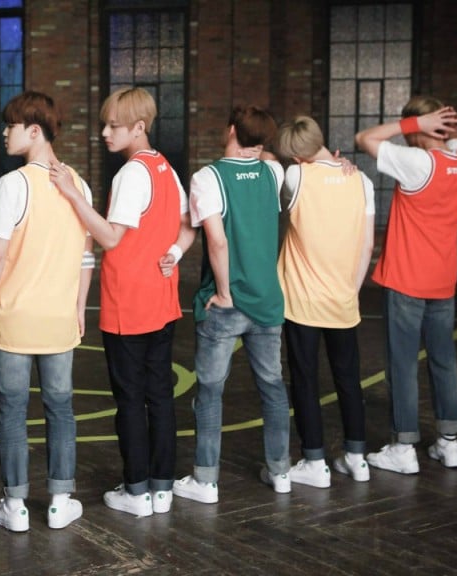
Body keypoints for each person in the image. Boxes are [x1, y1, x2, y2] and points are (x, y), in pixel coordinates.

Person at [54, 86, 194, 518]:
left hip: (129, 304)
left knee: (131, 400)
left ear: (139, 127)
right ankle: (161, 488)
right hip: (161, 301)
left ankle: (136, 491)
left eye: (113, 126)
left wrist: (73, 195)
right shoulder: (165, 168)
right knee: (160, 396)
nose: (104, 133)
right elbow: (188, 224)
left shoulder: (132, 174)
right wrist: (175, 252)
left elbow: (111, 237)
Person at [0, 91, 95, 532]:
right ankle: (61, 500)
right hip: (59, 318)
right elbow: (87, 257)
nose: (5, 133)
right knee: (60, 407)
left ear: (34, 131)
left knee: (11, 410)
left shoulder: (12, 185)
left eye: (10, 126)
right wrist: (80, 307)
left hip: (14, 317)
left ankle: (16, 506)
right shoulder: (78, 184)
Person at [169, 105, 291, 503]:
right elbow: (266, 158)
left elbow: (217, 241)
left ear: (231, 130)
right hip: (267, 300)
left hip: (228, 302)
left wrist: (223, 292)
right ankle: (281, 472)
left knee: (209, 391)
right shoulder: (274, 172)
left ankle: (206, 481)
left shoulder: (208, 178)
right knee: (272, 386)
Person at [354, 96, 457, 474]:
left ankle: (403, 448)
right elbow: (455, 143)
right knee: (444, 360)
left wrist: (414, 124)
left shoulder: (418, 163)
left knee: (403, 364)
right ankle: (449, 444)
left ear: (420, 127)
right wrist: (445, 128)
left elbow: (364, 138)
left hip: (407, 279)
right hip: (443, 280)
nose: (407, 136)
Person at [273, 115, 375, 488]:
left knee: (304, 380)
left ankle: (315, 462)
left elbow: (271, 170)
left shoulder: (296, 176)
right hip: (343, 299)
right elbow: (367, 244)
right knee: (348, 379)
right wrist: (352, 289)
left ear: (295, 155)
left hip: (301, 300)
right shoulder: (361, 180)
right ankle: (357, 458)